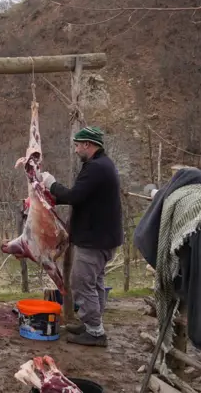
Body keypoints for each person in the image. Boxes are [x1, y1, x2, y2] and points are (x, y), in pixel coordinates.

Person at [39, 126, 123, 347]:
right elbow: (83, 197)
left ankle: (95, 332)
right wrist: (52, 199)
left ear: (88, 145)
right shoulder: (101, 166)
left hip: (95, 239)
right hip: (103, 236)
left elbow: (76, 195)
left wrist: (51, 184)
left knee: (82, 283)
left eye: (77, 145)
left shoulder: (96, 168)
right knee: (94, 283)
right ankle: (92, 325)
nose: (76, 150)